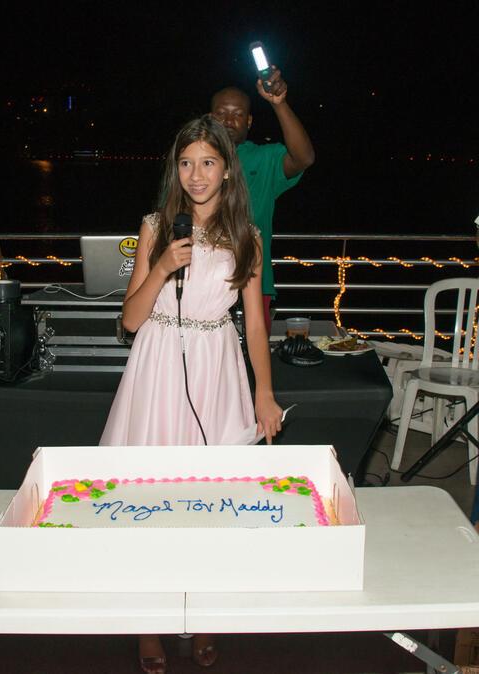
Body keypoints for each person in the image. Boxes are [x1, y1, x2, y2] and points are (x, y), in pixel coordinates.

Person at [100, 114, 283, 673]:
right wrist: (160, 267)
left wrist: (265, 394)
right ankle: (148, 626)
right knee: (150, 501)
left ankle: (204, 614)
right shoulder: (157, 225)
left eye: (207, 162)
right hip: (157, 367)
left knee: (213, 501)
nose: (196, 175)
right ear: (175, 171)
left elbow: (254, 325)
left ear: (228, 170)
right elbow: (130, 320)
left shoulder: (246, 237)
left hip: (217, 367)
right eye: (186, 163)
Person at [211, 69, 315, 334]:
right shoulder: (193, 163)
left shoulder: (264, 158)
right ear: (211, 119)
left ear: (249, 121)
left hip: (254, 281)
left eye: (237, 114)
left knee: (253, 360)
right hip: (202, 281)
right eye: (221, 113)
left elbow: (304, 158)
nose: (229, 121)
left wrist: (278, 104)